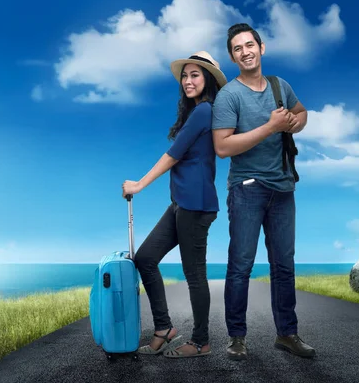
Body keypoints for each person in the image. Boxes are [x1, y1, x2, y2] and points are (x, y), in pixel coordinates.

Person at [211, 23, 316, 360]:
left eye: (250, 45)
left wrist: (294, 123)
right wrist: (270, 126)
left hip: (284, 188)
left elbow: (301, 113)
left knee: (284, 265)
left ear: (262, 47)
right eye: (238, 48)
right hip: (246, 190)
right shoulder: (229, 96)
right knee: (240, 265)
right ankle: (237, 337)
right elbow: (223, 147)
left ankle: (287, 333)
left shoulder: (279, 86)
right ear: (232, 56)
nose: (246, 51)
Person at [122, 51, 227, 358]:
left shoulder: (206, 111)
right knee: (145, 258)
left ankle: (200, 341)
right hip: (180, 203)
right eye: (185, 75)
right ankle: (164, 328)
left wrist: (139, 184)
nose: (188, 80)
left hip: (196, 206)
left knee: (194, 274)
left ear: (207, 79)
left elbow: (175, 154)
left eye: (195, 75)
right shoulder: (195, 113)